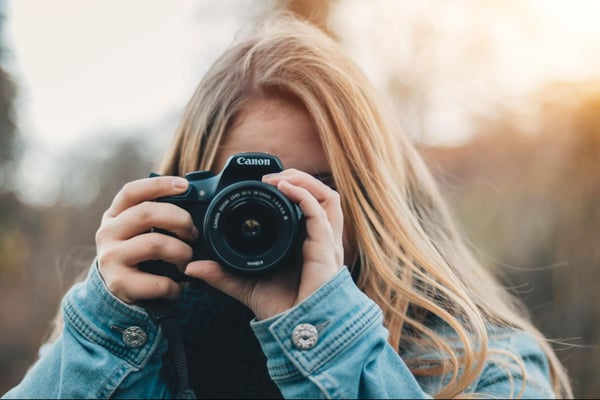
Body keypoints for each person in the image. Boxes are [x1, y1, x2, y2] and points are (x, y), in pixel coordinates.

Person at [4, 13, 572, 399]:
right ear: (187, 194)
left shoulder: (484, 365)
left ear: (374, 200)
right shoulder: (134, 336)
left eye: (312, 190)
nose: (269, 217)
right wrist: (103, 332)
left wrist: (324, 334)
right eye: (243, 195)